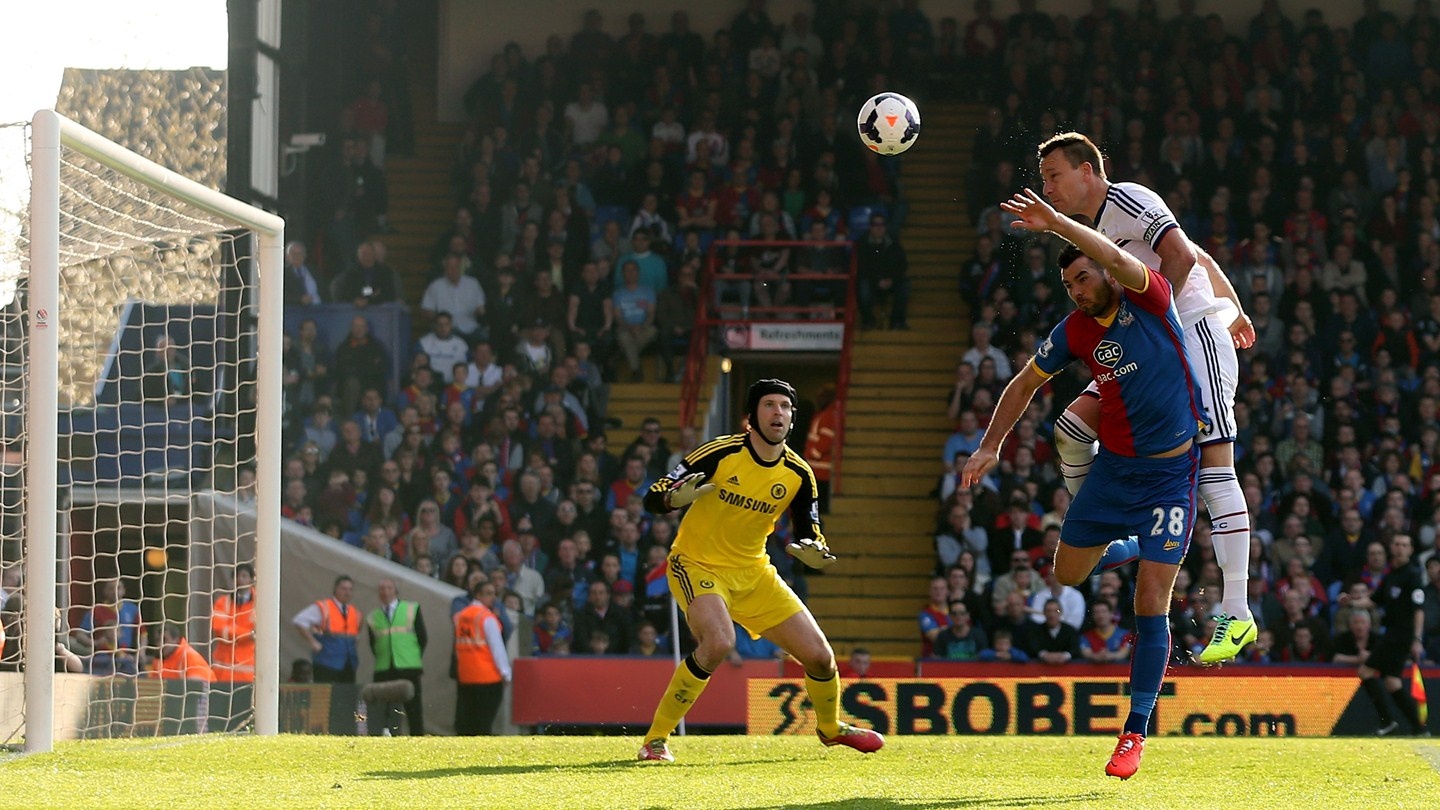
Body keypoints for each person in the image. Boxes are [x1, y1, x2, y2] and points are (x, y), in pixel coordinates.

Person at [963, 190, 1207, 780]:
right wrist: (990, 444)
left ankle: (1135, 730)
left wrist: (1061, 228)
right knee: (1067, 573)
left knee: (1151, 600)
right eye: (1070, 284)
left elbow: (1121, 261)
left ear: (1104, 268)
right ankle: (1125, 546)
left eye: (1084, 276)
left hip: (1171, 476)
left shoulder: (1150, 298)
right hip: (1115, 473)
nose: (1078, 288)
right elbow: (1023, 385)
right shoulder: (1074, 330)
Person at [1034, 133, 1259, 665]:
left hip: (1190, 341)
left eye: (1053, 176)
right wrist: (1236, 301)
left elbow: (1181, 256)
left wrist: (1177, 326)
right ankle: (1108, 528)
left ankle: (1238, 611)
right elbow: (1198, 252)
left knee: (1215, 470)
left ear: (1088, 170)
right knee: (1072, 426)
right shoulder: (1105, 225)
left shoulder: (1129, 197)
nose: (1048, 187)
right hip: (1155, 350)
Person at [636, 378, 884, 762]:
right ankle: (656, 740)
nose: (778, 413)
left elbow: (808, 532)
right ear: (751, 417)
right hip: (696, 563)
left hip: (754, 573)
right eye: (770, 405)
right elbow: (654, 496)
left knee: (820, 656)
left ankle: (831, 728)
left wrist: (815, 551)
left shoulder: (799, 474)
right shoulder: (721, 451)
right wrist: (671, 499)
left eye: (785, 407)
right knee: (719, 642)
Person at [1351, 534, 1428, 735]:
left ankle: (1387, 721)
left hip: (1401, 634)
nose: (1400, 548)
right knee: (1391, 682)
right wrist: (1351, 602)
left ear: (1411, 550)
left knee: (1365, 671)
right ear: (1391, 548)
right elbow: (1374, 600)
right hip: (1393, 632)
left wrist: (1417, 639)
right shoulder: (1391, 574)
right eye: (1397, 544)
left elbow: (1419, 609)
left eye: (1404, 545)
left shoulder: (1412, 575)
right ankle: (1419, 728)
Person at [366, 578, 428, 736]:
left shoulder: (411, 609)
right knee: (383, 708)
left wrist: (412, 656)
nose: (385, 592)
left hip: (408, 666)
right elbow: (373, 643)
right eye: (382, 589)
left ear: (395, 591)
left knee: (413, 708)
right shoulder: (373, 617)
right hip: (384, 666)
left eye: (389, 588)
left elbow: (422, 637)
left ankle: (417, 738)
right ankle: (385, 736)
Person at [452, 579, 512, 736]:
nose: (493, 598)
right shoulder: (486, 617)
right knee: (484, 724)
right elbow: (497, 648)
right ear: (478, 595)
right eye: (489, 594)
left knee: (468, 722)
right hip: (488, 677)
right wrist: (506, 673)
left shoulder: (461, 616)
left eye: (494, 594)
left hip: (466, 676)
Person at [292, 575, 361, 683]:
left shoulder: (354, 612)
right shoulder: (324, 607)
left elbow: (355, 635)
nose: (347, 593)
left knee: (347, 696)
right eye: (343, 589)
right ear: (335, 589)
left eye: (350, 589)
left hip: (349, 663)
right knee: (326, 696)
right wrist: (313, 642)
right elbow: (299, 621)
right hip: (327, 661)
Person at [211, 563, 256, 684]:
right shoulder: (222, 602)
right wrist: (248, 634)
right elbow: (219, 629)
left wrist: (232, 631)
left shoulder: (261, 603)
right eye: (236, 576)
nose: (240, 579)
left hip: (248, 671)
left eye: (244, 576)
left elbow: (263, 633)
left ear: (252, 579)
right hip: (223, 669)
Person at [803, 385, 838, 514]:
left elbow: (826, 440)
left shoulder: (828, 415)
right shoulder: (826, 414)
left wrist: (813, 454)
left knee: (818, 509)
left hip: (820, 470)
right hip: (818, 469)